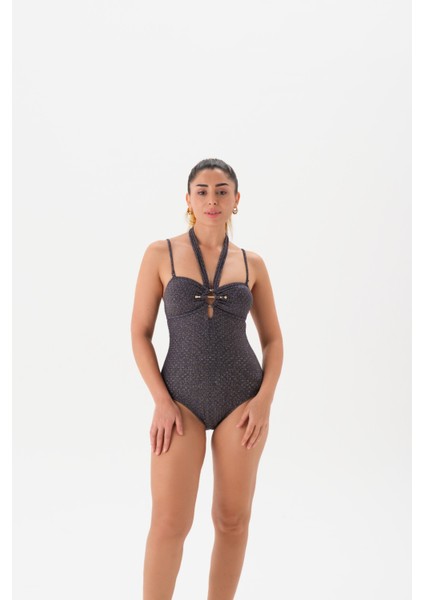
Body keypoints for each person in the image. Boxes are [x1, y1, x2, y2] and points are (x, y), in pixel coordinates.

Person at [131, 158, 284, 600]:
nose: (211, 200)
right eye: (202, 191)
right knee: (169, 522)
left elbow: (273, 340)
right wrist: (161, 401)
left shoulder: (252, 263)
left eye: (221, 191)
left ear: (236, 200)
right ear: (188, 199)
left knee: (232, 520)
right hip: (179, 401)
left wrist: (264, 401)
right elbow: (139, 333)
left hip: (243, 399)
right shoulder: (160, 254)